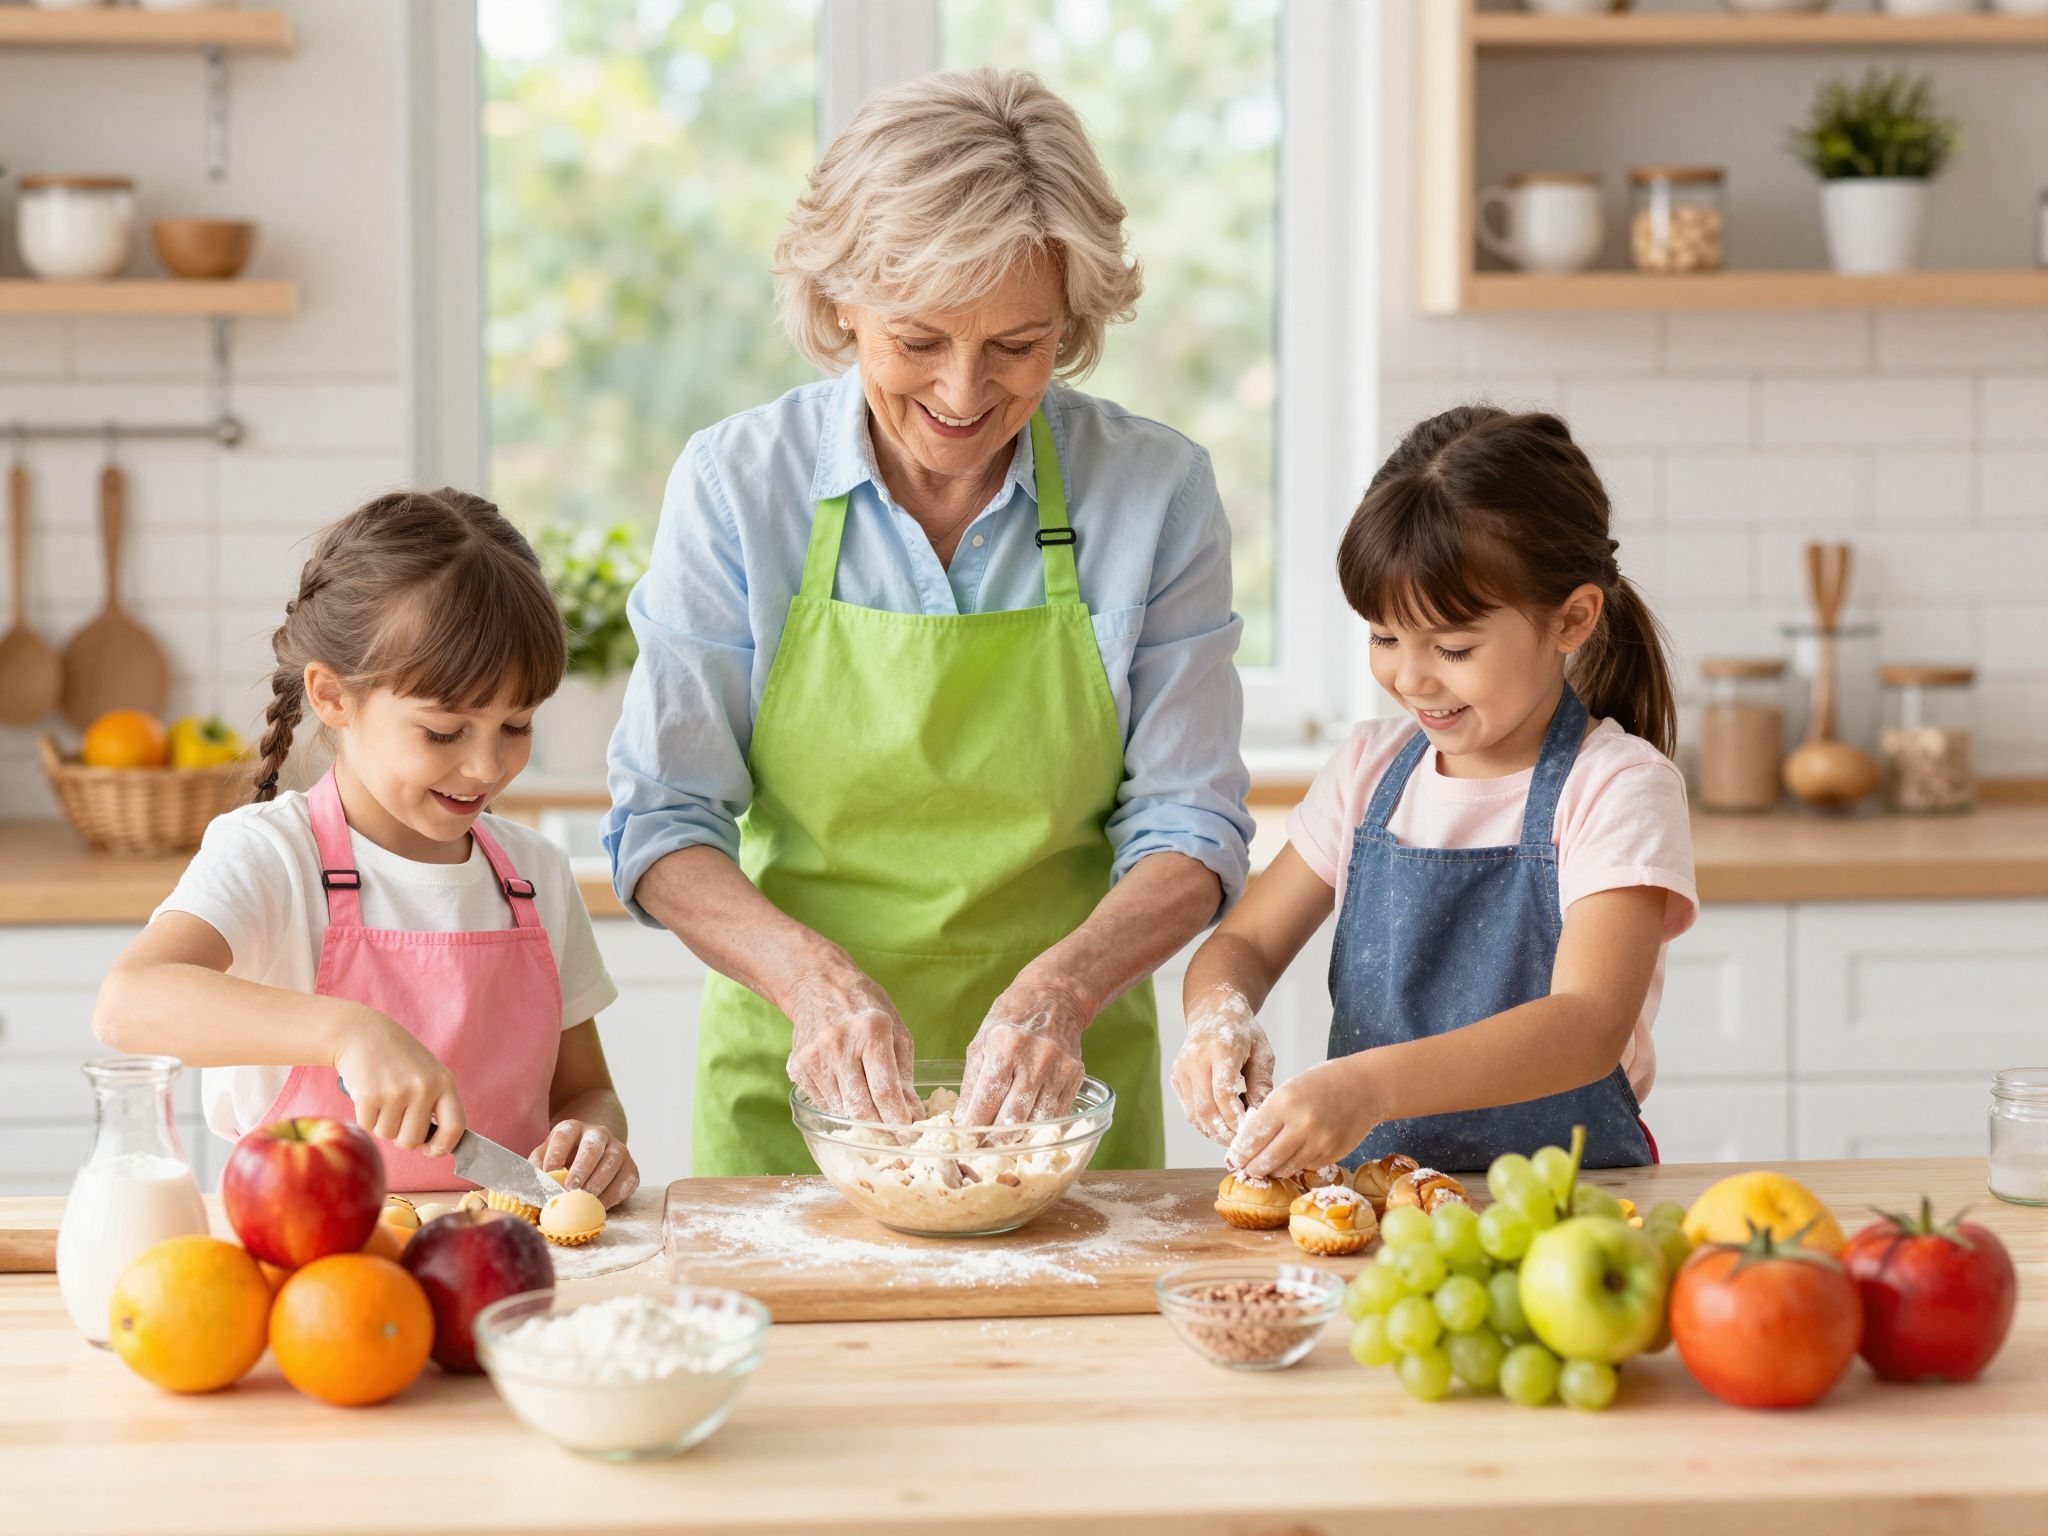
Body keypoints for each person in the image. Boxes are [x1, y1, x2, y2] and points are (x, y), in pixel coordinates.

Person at [605, 69, 1253, 1175]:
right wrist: (813, 985)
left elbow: (1190, 830)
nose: (963, 393)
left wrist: (1060, 991)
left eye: (1016, 346)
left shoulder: (1153, 494)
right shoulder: (734, 486)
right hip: (794, 1113)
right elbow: (663, 823)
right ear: (840, 304)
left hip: (1066, 1108)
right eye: (917, 340)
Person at [1175, 405, 1696, 1176]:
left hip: (1571, 1209)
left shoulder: (1618, 788)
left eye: (1452, 647)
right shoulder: (1367, 772)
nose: (1410, 678)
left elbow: (1584, 1025)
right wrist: (1217, 1019)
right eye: (1385, 637)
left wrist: (1368, 1086)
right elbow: (1244, 943)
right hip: (1380, 1210)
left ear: (1572, 619)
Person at [94, 489, 638, 1203]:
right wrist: (347, 1031)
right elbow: (127, 1004)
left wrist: (594, 1140)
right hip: (312, 1274)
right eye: (444, 732)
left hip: (509, 1266)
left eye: (517, 725)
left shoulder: (534, 876)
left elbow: (586, 1091)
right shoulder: (272, 856)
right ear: (333, 697)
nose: (487, 766)